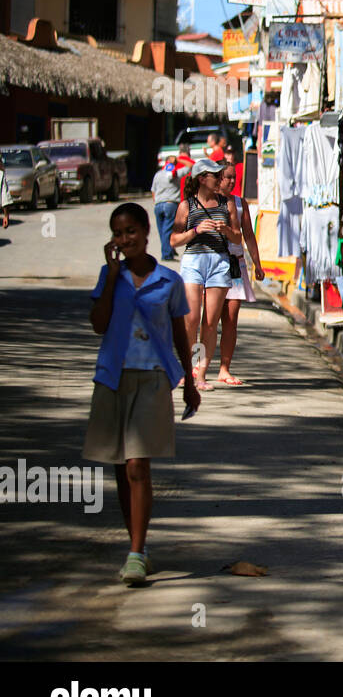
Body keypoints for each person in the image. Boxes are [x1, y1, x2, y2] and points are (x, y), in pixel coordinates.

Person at [87, 202, 200, 586]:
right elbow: (99, 325)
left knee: (138, 465)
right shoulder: (109, 275)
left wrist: (189, 381)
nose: (124, 239)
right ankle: (138, 546)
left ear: (146, 232)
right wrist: (112, 276)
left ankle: (136, 553)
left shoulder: (168, 282)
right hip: (112, 379)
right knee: (120, 467)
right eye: (117, 234)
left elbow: (180, 333)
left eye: (131, 232)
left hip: (152, 379)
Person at [172, 158, 241, 391]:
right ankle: (188, 368)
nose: (221, 179)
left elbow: (238, 237)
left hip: (219, 262)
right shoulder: (186, 206)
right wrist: (195, 230)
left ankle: (200, 375)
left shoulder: (227, 204)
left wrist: (227, 230)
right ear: (202, 178)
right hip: (194, 261)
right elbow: (174, 240)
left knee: (210, 323)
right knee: (191, 319)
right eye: (216, 175)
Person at [215, 161, 264, 385]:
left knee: (231, 319)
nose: (233, 181)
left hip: (235, 264)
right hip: (212, 264)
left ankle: (225, 368)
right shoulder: (206, 203)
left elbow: (249, 236)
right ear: (217, 179)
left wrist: (258, 264)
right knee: (207, 319)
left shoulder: (240, 203)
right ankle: (198, 363)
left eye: (234, 177)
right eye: (228, 177)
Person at [151, 156, 182, 261]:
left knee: (162, 231)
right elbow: (190, 166)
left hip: (158, 205)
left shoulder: (158, 174)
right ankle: (167, 254)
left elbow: (153, 190)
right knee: (167, 230)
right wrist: (179, 159)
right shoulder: (177, 174)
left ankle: (168, 250)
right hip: (170, 204)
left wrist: (156, 201)